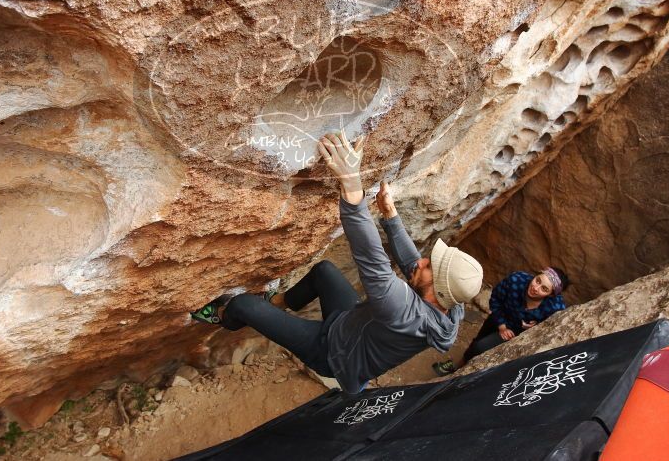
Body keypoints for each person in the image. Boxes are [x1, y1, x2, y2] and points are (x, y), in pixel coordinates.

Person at [190, 131, 484, 394]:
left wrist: (353, 189)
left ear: (437, 290)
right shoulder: (450, 305)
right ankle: (278, 302)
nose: (421, 262)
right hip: (351, 324)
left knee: (244, 306)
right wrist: (391, 216)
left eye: (429, 267)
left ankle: (222, 318)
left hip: (331, 353)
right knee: (324, 272)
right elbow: (411, 266)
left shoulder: (403, 313)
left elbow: (374, 260)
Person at [432, 267, 568, 376]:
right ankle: (459, 366)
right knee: (478, 341)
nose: (535, 288)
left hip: (516, 333)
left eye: (544, 289)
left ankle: (464, 372)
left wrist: (534, 328)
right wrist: (502, 325)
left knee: (480, 348)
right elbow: (495, 299)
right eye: (538, 280)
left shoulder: (555, 308)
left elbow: (551, 329)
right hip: (499, 317)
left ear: (551, 295)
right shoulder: (516, 280)